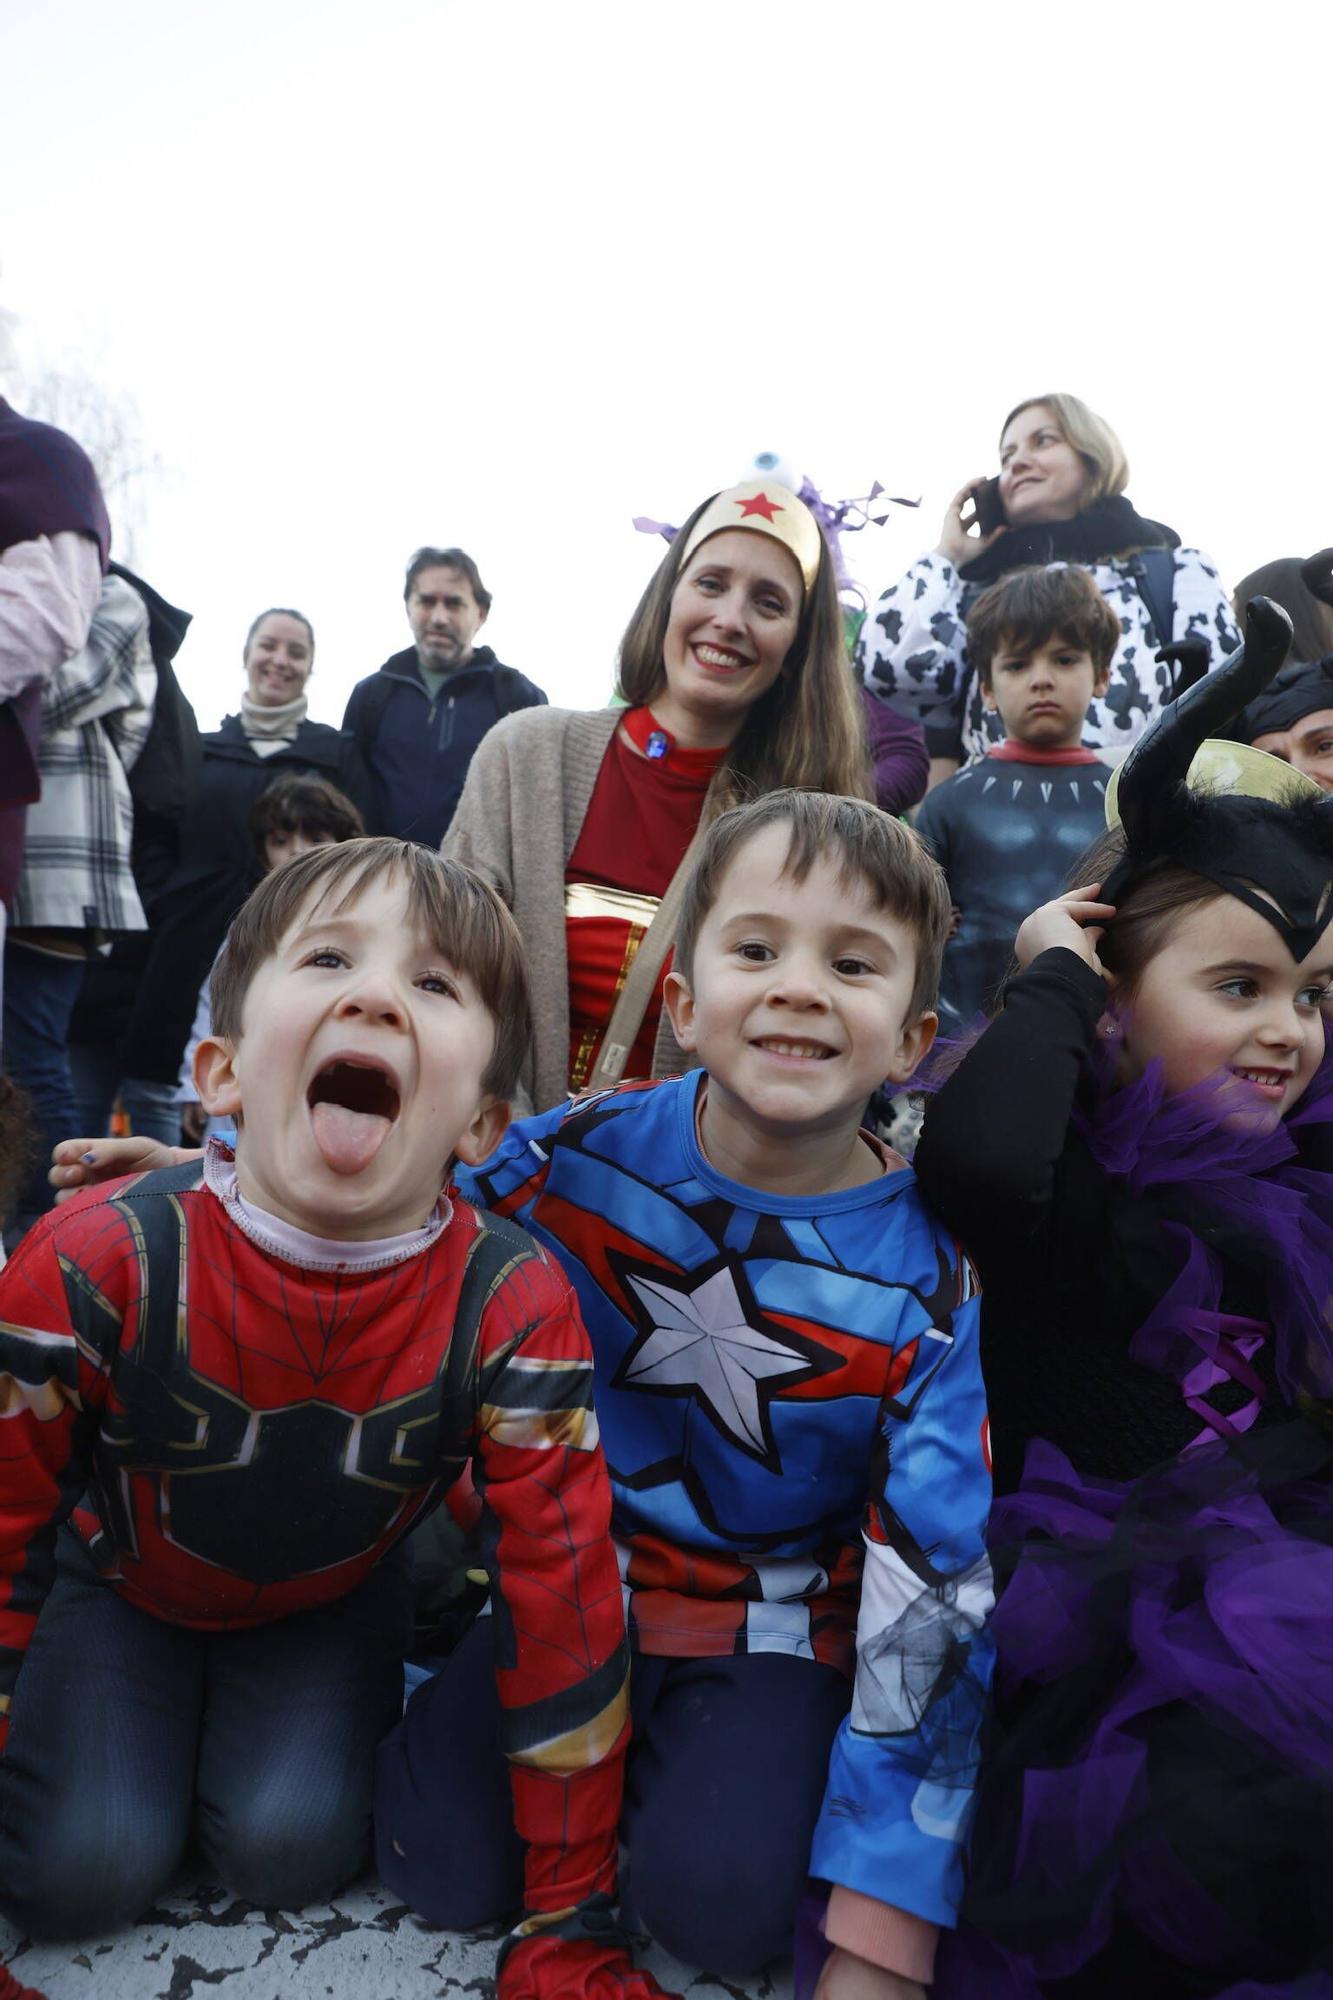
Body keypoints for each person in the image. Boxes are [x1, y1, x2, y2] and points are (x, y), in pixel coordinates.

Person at [4, 837, 670, 2000]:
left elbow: (563, 1593)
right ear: (218, 1070)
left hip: (325, 1596)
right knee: (77, 1870)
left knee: (289, 1851)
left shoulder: (513, 1299)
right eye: (327, 957)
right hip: (118, 1580)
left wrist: (569, 1909)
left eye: (434, 983)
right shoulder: (94, 1257)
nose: (374, 993)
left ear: (481, 1124)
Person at [376, 791, 992, 1992]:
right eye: (756, 947)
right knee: (430, 1864)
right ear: (681, 1001)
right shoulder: (564, 1161)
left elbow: (938, 1592)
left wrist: (883, 1937)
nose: (799, 986)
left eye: (851, 961)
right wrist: (216, 1171)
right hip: (560, 1592)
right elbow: (391, 1202)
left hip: (767, 1629)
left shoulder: (932, 1278)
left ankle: (686, 1791)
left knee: (723, 1916)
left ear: (912, 1040)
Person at [912, 602, 1333, 1996]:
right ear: (1110, 995)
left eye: (1316, 997)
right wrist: (1046, 970)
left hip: (1286, 1554)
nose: (1286, 1030)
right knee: (1224, 1827)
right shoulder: (1065, 1169)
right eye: (1239, 986)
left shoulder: (1299, 1169)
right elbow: (972, 1166)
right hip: (1103, 1620)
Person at [445, 480, 873, 1113]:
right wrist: (506, 1160)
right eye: (710, 583)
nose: (729, 620)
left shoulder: (814, 834)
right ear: (667, 598)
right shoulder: (524, 754)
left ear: (796, 651)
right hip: (484, 1178)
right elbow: (444, 968)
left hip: (680, 1202)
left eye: (769, 602)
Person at [857, 393, 1241, 784]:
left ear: (1092, 456)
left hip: (1144, 829)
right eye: (1006, 458)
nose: (1018, 462)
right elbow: (891, 672)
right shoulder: (969, 592)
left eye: (1043, 441)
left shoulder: (1176, 574)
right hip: (1003, 828)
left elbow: (1227, 698)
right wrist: (947, 555)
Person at [101, 607, 374, 1145]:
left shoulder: (337, 755)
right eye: (268, 645)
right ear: (247, 655)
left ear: (312, 667)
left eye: (297, 652)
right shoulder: (199, 751)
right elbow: (156, 833)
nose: (280, 660)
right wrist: (169, 900)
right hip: (187, 948)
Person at [3, 567, 156, 1236]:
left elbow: (48, 696)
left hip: (65, 858)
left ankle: (67, 1234)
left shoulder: (113, 599)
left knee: (34, 1055)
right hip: (21, 849)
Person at [913, 565, 1118, 1029]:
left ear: (1101, 676)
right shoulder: (948, 803)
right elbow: (908, 920)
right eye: (1017, 664)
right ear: (987, 688)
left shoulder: (1125, 803)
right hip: (958, 1041)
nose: (1041, 679)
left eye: (1064, 659)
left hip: (1095, 1040)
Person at [176, 771, 366, 1145]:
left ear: (345, 845)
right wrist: (191, 1084)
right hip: (251, 1080)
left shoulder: (366, 922)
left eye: (315, 838)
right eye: (281, 841)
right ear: (264, 854)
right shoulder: (252, 926)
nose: (297, 850)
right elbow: (214, 1003)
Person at [343, 546, 546, 848]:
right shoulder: (371, 696)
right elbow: (346, 801)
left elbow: (537, 806)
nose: (439, 617)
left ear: (481, 613)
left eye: (454, 604)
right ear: (408, 607)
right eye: (426, 601)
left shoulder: (519, 698)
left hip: (478, 887)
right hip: (381, 881)